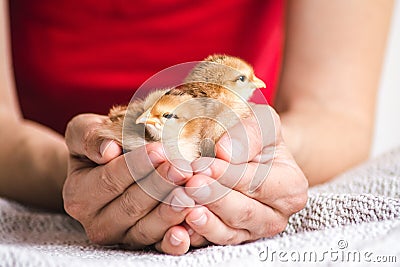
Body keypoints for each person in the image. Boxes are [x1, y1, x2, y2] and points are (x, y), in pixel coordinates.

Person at [0, 0, 393, 256]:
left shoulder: (225, 120)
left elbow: (334, 112)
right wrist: (76, 175)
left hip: (248, 146)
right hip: (39, 161)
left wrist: (260, 157)